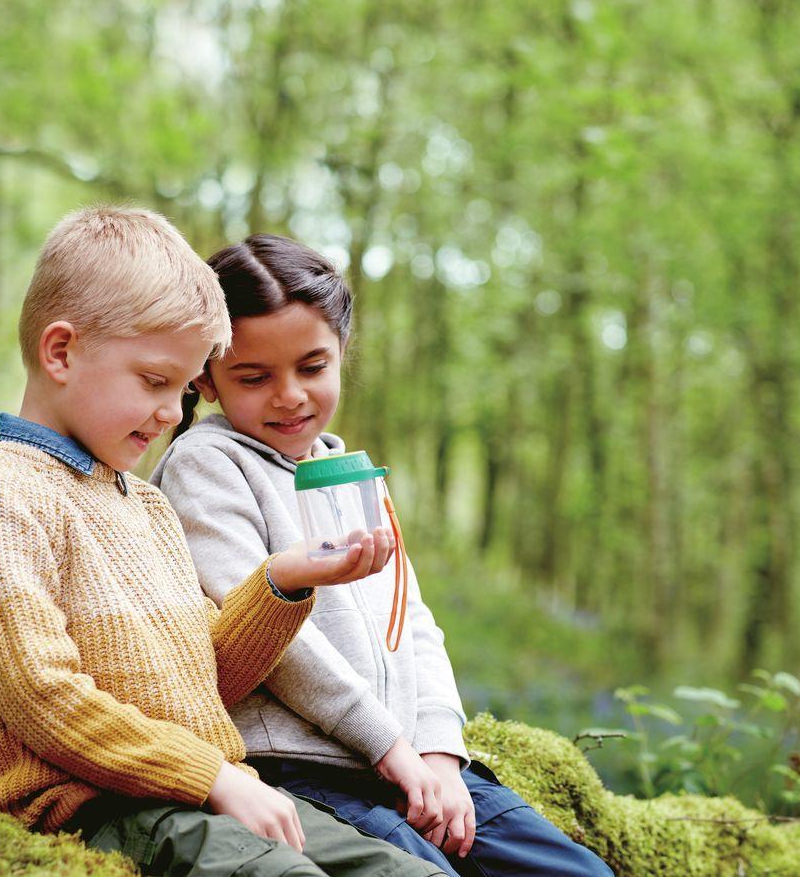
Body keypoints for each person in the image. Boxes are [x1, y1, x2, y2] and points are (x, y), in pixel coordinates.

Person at [0, 207, 446, 877]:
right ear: (61, 352)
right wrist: (214, 777)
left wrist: (283, 580)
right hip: (94, 809)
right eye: (154, 381)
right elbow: (47, 700)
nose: (175, 412)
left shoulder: (143, 503)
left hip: (199, 792)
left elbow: (209, 678)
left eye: (183, 385)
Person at [152, 233, 613, 877]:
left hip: (405, 763)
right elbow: (264, 635)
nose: (289, 396)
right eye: (254, 377)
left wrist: (440, 755)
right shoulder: (206, 467)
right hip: (301, 771)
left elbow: (413, 622)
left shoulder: (348, 472)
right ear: (206, 374)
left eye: (312, 367)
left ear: (341, 352)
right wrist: (388, 747)